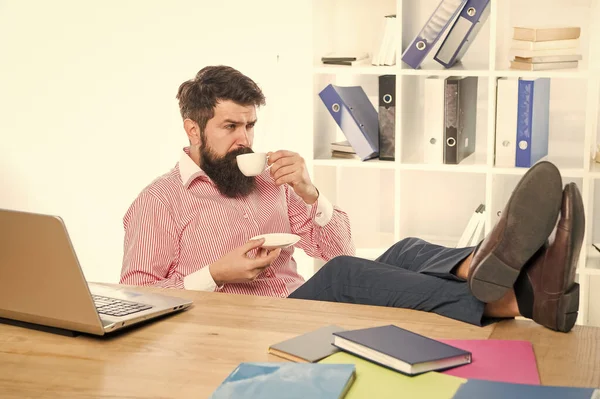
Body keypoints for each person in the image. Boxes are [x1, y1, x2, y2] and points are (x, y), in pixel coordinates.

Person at [120, 65, 584, 333]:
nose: (246, 139)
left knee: (402, 250)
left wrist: (310, 192)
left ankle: (486, 265)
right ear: (192, 129)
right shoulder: (158, 202)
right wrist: (215, 274)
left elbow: (338, 247)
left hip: (291, 301)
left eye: (250, 126)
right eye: (231, 127)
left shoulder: (267, 181)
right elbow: (136, 296)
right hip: (246, 325)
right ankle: (518, 297)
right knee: (344, 276)